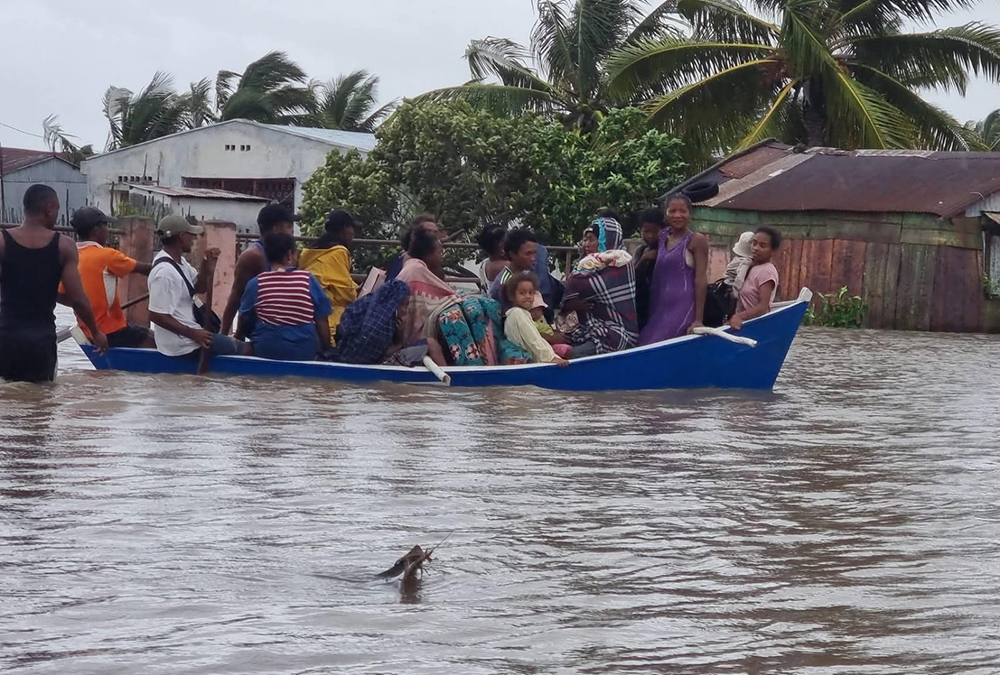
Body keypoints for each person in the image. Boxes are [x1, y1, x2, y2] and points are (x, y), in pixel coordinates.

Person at [0, 185, 107, 382]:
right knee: (41, 404)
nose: (57, 215)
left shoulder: (3, 241)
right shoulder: (63, 246)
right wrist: (95, 331)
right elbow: (78, 299)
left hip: (6, 338)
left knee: (8, 402)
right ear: (49, 208)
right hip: (41, 341)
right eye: (57, 209)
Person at [397, 231, 530, 365]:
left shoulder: (415, 267)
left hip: (426, 320)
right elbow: (443, 294)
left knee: (479, 306)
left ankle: (489, 357)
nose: (441, 256)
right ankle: (473, 362)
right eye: (439, 252)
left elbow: (440, 294)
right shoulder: (416, 269)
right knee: (457, 315)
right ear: (428, 254)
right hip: (415, 332)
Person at [147, 215, 247, 359]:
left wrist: (206, 266)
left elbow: (199, 288)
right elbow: (156, 315)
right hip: (183, 344)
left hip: (192, 334)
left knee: (240, 346)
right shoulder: (164, 273)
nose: (193, 240)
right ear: (181, 237)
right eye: (191, 235)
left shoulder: (179, 262)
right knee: (246, 349)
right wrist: (193, 334)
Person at [62, 206, 154, 348]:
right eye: (106, 227)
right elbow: (145, 269)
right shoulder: (107, 255)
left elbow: (59, 295)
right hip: (110, 330)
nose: (108, 231)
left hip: (87, 329)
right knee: (156, 341)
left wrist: (84, 307)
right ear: (96, 231)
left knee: (143, 332)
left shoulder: (70, 256)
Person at [238, 232, 333, 360]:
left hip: (266, 349)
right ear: (289, 254)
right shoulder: (307, 279)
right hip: (304, 351)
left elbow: (243, 318)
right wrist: (326, 350)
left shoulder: (256, 283)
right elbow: (322, 321)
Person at [560, 215, 638, 357]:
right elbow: (569, 297)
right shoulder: (585, 264)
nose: (586, 244)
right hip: (588, 328)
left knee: (570, 355)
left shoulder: (622, 263)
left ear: (606, 239)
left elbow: (580, 285)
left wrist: (576, 297)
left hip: (618, 332)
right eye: (585, 239)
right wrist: (572, 304)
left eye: (591, 239)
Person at [638, 194, 709, 345]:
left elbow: (701, 279)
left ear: (690, 214)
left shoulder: (696, 240)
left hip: (682, 307)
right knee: (644, 342)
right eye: (672, 211)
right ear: (666, 214)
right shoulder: (662, 236)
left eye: (682, 211)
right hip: (658, 307)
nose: (677, 215)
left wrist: (698, 320)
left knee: (658, 346)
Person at [221, 203, 299, 337]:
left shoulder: (289, 255)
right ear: (277, 229)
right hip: (263, 330)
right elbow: (236, 297)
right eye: (289, 227)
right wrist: (224, 335)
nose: (292, 231)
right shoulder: (253, 256)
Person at [332, 278, 446, 366]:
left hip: (344, 355)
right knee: (431, 344)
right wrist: (400, 340)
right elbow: (382, 354)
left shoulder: (365, 304)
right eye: (404, 306)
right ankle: (451, 377)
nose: (406, 311)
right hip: (375, 364)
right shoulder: (380, 326)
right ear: (394, 304)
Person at [298, 209, 358, 340]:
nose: (353, 233)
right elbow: (345, 293)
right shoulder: (339, 252)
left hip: (306, 313)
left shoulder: (311, 251)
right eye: (351, 228)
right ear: (344, 229)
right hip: (329, 316)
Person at [503, 272, 568, 366]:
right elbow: (533, 339)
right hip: (525, 363)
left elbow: (538, 339)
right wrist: (550, 358)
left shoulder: (523, 314)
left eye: (531, 293)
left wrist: (554, 356)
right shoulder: (517, 314)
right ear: (512, 296)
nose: (528, 296)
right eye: (522, 293)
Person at [729, 227, 781, 331]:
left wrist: (739, 317)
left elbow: (763, 307)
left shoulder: (767, 271)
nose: (756, 248)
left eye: (762, 246)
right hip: (743, 323)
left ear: (773, 251)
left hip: (755, 326)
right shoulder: (750, 266)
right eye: (754, 243)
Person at [488, 228, 538, 312]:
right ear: (513, 254)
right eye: (528, 254)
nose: (533, 258)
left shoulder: (527, 274)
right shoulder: (504, 283)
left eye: (534, 253)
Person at [633, 207, 665, 330]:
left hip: (660, 307)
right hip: (641, 306)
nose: (650, 236)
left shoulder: (667, 251)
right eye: (646, 231)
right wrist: (644, 260)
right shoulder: (640, 251)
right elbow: (632, 277)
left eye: (655, 231)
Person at [386, 213, 442, 280]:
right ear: (413, 235)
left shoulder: (432, 261)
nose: (433, 236)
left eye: (435, 232)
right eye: (428, 232)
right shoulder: (410, 262)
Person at [530, 292, 571, 358]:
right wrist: (551, 338)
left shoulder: (542, 318)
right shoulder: (531, 323)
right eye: (537, 310)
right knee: (568, 350)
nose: (540, 312)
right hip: (547, 346)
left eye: (540, 309)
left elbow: (549, 328)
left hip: (553, 339)